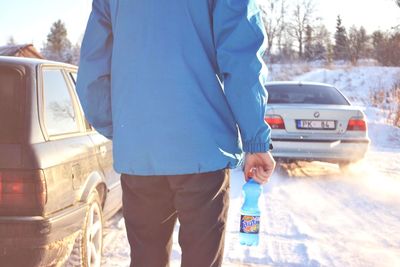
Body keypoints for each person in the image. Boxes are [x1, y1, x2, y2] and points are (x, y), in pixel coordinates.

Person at [76, 0, 275, 266]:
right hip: (203, 150)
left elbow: (92, 70)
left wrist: (128, 130)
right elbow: (241, 60)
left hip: (141, 154)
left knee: (146, 259)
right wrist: (255, 140)